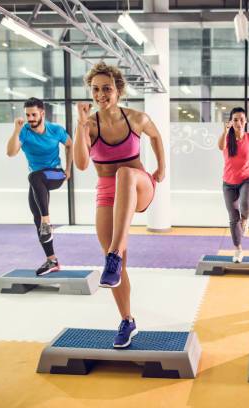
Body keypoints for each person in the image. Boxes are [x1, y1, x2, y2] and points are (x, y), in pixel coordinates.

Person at [73, 62, 165, 348]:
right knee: (117, 267)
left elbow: (156, 136)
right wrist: (79, 125)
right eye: (96, 89)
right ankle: (127, 320)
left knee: (124, 172)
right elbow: (81, 163)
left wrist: (161, 168)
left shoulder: (136, 118)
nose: (101, 94)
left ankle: (114, 253)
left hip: (140, 185)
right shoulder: (89, 126)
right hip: (107, 192)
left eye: (107, 89)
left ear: (119, 91)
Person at [6, 97, 72, 276]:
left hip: (55, 174)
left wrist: (68, 169)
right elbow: (11, 153)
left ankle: (47, 221)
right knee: (36, 216)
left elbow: (69, 145)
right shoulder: (24, 131)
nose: (30, 118)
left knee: (34, 177)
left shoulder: (55, 130)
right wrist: (16, 130)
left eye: (34, 114)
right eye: (28, 115)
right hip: (37, 180)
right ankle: (52, 260)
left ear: (42, 113)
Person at [218, 107, 249, 262]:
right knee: (233, 217)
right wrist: (224, 131)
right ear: (231, 122)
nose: (239, 122)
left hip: (247, 178)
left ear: (246, 121)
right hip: (228, 182)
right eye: (235, 119)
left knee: (245, 206)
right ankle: (238, 250)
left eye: (242, 119)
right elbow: (220, 147)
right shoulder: (226, 139)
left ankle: (246, 220)